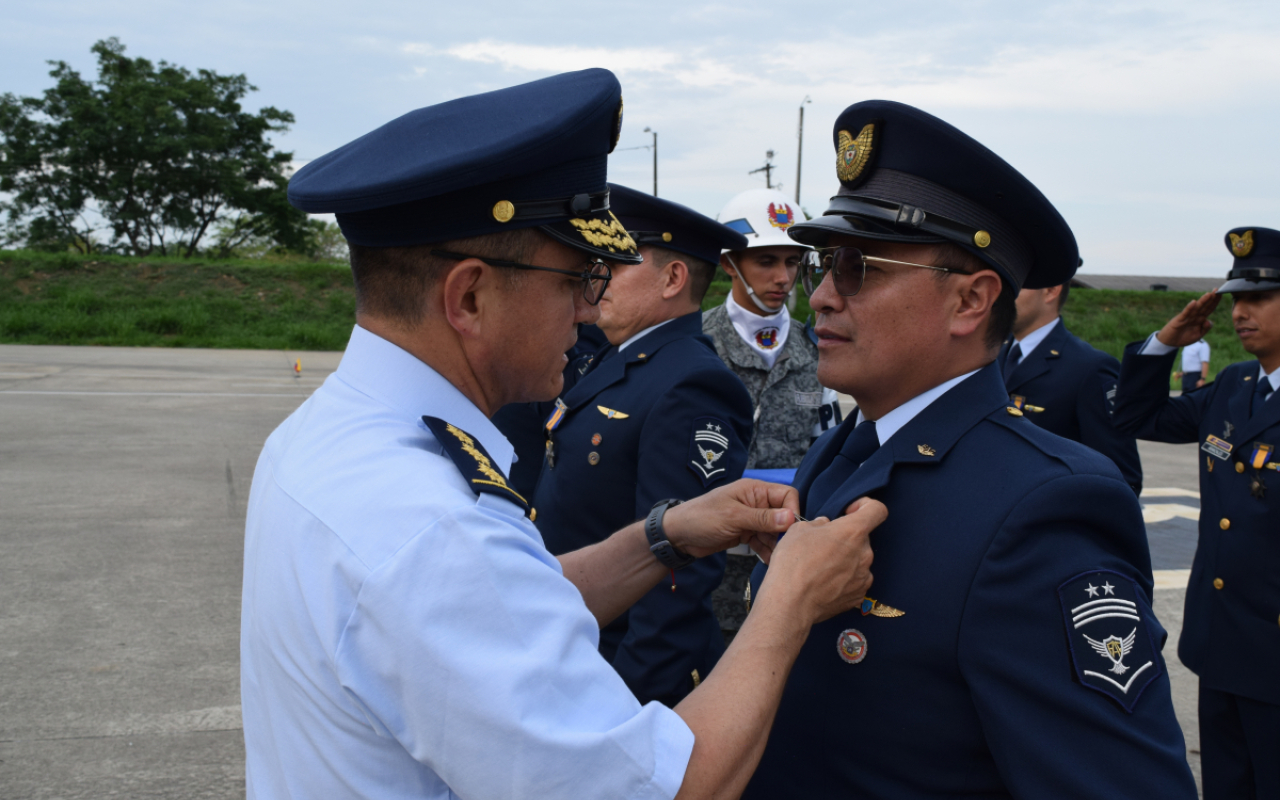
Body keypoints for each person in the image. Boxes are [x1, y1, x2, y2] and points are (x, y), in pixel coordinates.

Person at [239, 69, 884, 800]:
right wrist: (790, 600)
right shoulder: (434, 528)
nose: (587, 311)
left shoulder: (326, 439)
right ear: (470, 296)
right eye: (575, 281)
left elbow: (501, 610)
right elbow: (670, 788)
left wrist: (662, 537)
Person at [743, 99, 1197, 799]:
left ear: (970, 302)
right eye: (823, 266)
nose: (822, 297)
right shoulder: (843, 450)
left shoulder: (1042, 508)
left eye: (860, 266)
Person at [533, 183, 753, 706]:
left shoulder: (690, 384)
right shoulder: (621, 361)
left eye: (615, 261)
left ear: (673, 279)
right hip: (572, 646)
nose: (596, 276)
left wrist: (625, 704)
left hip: (616, 671)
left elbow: (680, 568)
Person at [1113, 226, 1280, 800]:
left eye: (1259, 298)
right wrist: (1165, 341)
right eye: (1236, 299)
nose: (1241, 312)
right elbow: (1139, 417)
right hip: (1220, 644)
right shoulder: (1235, 386)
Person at [704, 187, 843, 470]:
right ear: (729, 263)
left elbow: (830, 457)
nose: (783, 278)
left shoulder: (817, 347)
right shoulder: (694, 341)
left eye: (792, 262)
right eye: (766, 262)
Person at [999, 281, 1144, 493]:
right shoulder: (989, 356)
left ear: (1050, 290)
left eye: (1016, 284)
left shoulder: (1090, 367)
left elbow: (1122, 477)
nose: (1000, 294)